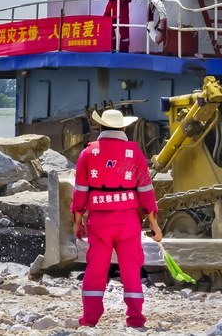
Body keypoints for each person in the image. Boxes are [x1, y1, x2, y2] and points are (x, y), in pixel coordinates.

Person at [71, 109, 162, 328]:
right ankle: (136, 319)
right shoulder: (134, 153)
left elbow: (80, 191)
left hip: (99, 222)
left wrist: (77, 221)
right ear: (123, 127)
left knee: (96, 269)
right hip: (127, 221)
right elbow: (146, 190)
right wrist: (154, 224)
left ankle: (89, 320)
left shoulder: (88, 153)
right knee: (131, 270)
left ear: (100, 127)